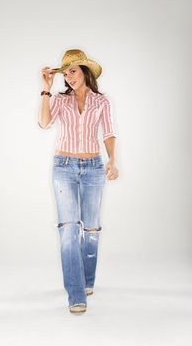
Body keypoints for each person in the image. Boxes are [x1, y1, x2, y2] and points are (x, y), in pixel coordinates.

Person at [37, 49, 119, 314]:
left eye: (73, 70)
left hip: (93, 167)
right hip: (64, 168)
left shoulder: (102, 101)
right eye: (66, 72)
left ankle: (88, 280)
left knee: (92, 229)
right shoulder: (61, 100)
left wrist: (112, 160)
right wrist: (46, 89)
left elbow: (108, 132)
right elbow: (44, 123)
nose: (69, 77)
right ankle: (76, 294)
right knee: (69, 230)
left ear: (85, 71)